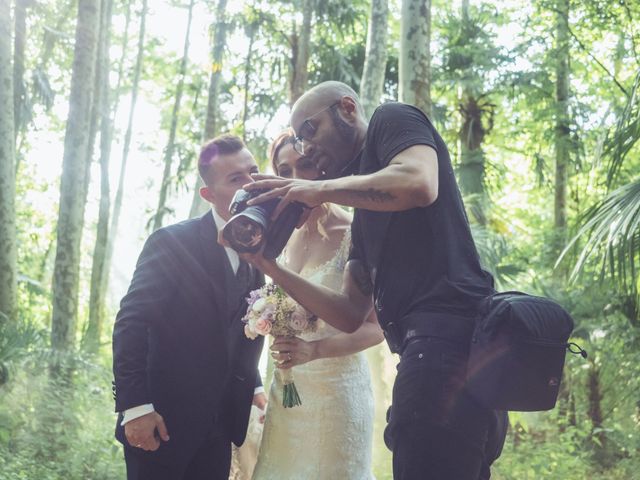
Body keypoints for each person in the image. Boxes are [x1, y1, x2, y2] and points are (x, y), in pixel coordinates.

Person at [241, 82, 508, 479]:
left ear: (347, 108)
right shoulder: (363, 216)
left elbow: (419, 182)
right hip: (419, 356)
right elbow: (350, 313)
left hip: (453, 344)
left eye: (310, 130)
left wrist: (316, 189)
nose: (305, 146)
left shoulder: (392, 119)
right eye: (298, 138)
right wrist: (272, 267)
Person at [112, 134, 268, 480]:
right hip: (162, 423)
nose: (251, 184)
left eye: (253, 172)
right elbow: (131, 322)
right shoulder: (171, 242)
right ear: (208, 195)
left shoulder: (257, 253)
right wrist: (135, 408)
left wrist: (254, 385)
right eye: (236, 179)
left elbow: (236, 327)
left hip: (220, 428)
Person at [249, 131, 384, 480]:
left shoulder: (355, 232)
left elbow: (375, 328)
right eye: (284, 169)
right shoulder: (277, 234)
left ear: (323, 171)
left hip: (336, 394)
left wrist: (316, 349)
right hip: (287, 391)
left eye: (305, 165)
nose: (295, 178)